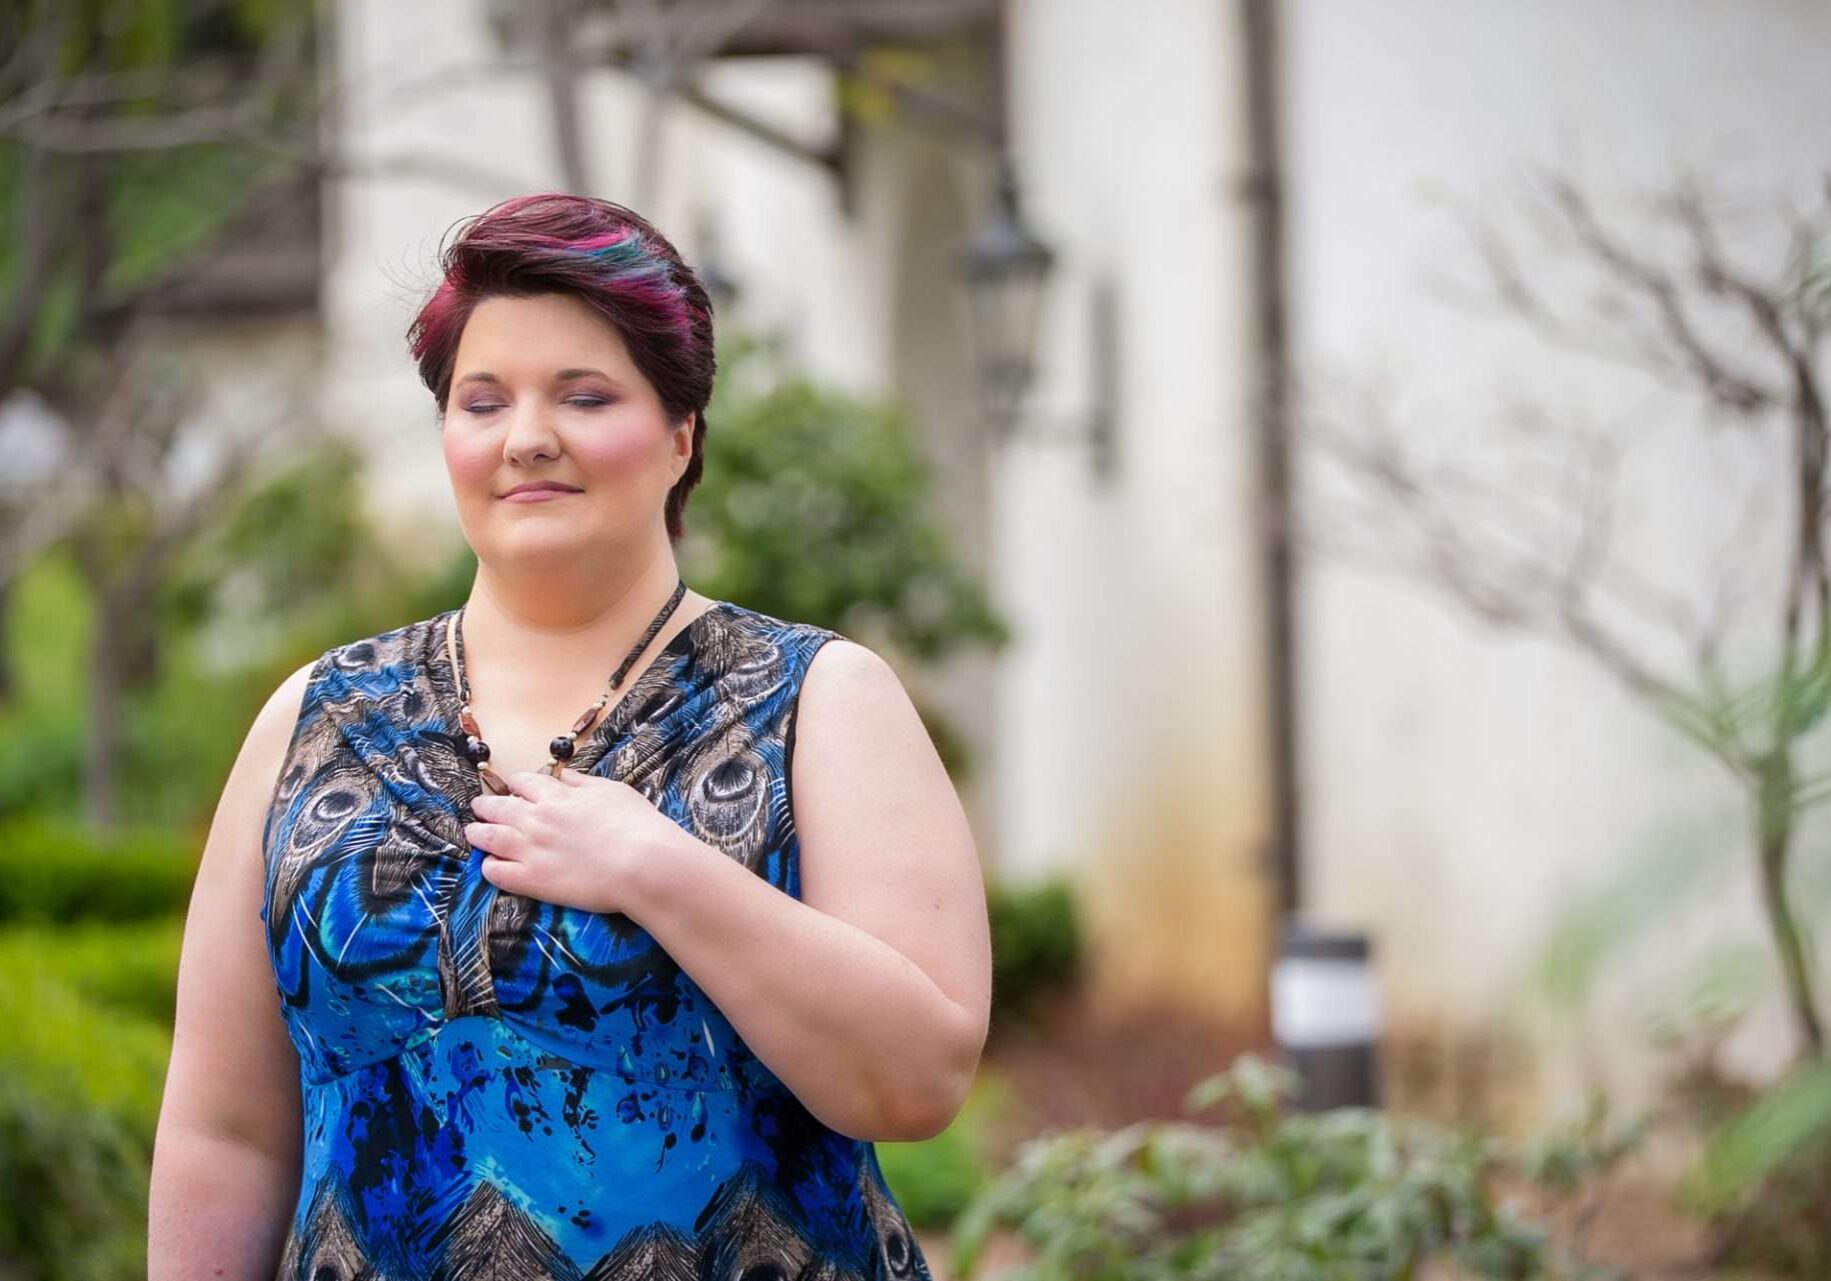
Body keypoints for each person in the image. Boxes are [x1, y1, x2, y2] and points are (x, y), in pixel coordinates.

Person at [148, 192, 991, 1280]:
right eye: (481, 401)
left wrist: (654, 867)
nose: (527, 438)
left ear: (681, 436)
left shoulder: (818, 699)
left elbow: (917, 1080)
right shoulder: (318, 721)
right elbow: (226, 1132)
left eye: (585, 396)